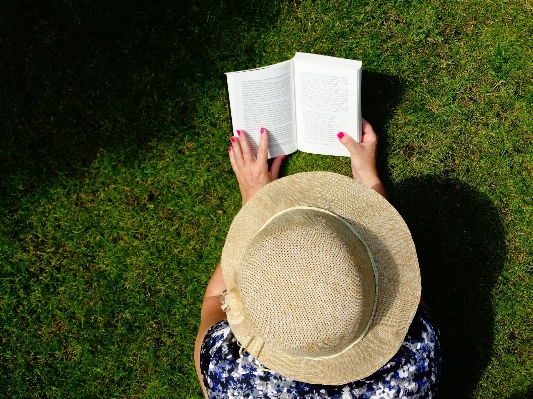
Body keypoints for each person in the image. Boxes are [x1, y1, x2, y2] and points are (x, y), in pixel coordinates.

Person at [194, 120, 441, 398]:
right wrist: (369, 180)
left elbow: (215, 303)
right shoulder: (413, 364)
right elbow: (407, 293)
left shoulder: (230, 376)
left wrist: (253, 196)